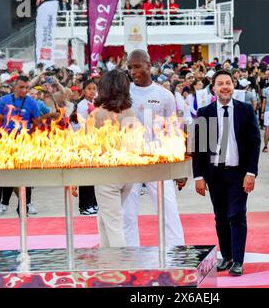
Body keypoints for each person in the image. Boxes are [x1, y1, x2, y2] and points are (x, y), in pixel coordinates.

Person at [192, 70, 261, 276]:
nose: (224, 87)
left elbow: (254, 142)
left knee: (237, 215)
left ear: (233, 86)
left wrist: (251, 172)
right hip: (214, 173)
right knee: (220, 217)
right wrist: (198, 176)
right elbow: (198, 146)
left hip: (238, 173)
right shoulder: (204, 112)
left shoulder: (245, 110)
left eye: (228, 83)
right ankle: (227, 256)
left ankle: (238, 260)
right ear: (213, 88)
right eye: (220, 83)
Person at [123, 49, 185, 247]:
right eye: (130, 67)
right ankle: (129, 257)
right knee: (127, 214)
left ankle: (176, 254)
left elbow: (173, 131)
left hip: (157, 161)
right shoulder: (124, 93)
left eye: (137, 66)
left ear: (149, 66)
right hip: (129, 162)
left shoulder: (165, 95)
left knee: (168, 210)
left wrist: (179, 167)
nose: (133, 71)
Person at [0, 76, 40, 219]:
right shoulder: (5, 100)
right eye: (21, 87)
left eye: (26, 87)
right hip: (5, 144)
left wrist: (29, 138)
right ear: (14, 87)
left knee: (24, 177)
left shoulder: (32, 103)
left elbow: (36, 123)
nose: (24, 90)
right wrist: (1, 136)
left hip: (23, 144)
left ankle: (23, 208)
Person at [92, 70, 137, 247]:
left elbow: (90, 144)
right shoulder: (130, 112)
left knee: (112, 223)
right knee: (105, 219)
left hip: (107, 172)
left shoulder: (98, 114)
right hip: (127, 172)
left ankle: (121, 267)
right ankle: (107, 258)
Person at [70, 79, 99, 215]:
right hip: (84, 142)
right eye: (89, 88)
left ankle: (93, 203)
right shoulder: (82, 105)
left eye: (94, 88)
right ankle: (85, 205)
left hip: (93, 141)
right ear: (83, 91)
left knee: (93, 175)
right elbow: (81, 125)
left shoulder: (94, 103)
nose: (92, 91)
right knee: (86, 175)